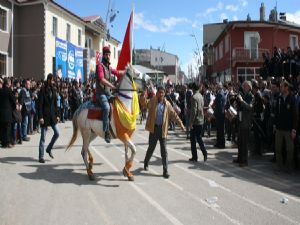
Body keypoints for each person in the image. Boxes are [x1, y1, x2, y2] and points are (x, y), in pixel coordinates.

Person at [143, 86, 185, 179]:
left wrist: (181, 124)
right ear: (157, 93)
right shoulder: (153, 101)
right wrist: (143, 94)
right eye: (159, 92)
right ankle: (146, 162)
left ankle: (165, 171)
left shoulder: (167, 104)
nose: (161, 94)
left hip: (163, 130)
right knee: (151, 148)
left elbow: (174, 115)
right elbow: (145, 104)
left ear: (164, 94)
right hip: (154, 129)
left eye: (162, 93)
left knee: (164, 151)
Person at [96, 46, 124, 143]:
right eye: (106, 55)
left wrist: (126, 71)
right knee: (107, 108)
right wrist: (112, 86)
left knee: (119, 103)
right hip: (101, 94)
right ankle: (106, 131)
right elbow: (101, 79)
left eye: (109, 55)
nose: (108, 56)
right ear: (103, 55)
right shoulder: (100, 66)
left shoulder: (108, 67)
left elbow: (117, 72)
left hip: (108, 93)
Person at [274, 80, 297, 172]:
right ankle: (279, 166)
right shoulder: (279, 98)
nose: (281, 88)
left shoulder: (292, 99)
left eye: (282, 86)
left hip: (288, 129)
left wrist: (294, 129)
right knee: (278, 148)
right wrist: (275, 125)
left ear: (286, 87)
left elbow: (295, 115)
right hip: (279, 128)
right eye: (280, 86)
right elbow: (276, 113)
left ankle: (289, 166)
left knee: (290, 149)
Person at [37, 74, 60, 163]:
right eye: (53, 80)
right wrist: (40, 117)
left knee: (57, 133)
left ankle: (49, 148)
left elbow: (55, 104)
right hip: (45, 117)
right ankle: (41, 156)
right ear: (49, 80)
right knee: (43, 137)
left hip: (52, 116)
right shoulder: (42, 90)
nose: (54, 82)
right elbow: (39, 105)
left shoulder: (54, 90)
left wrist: (57, 115)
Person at [233, 81, 254, 167]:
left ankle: (244, 161)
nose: (243, 87)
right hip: (241, 121)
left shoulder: (251, 96)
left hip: (246, 122)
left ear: (249, 87)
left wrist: (241, 101)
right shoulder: (243, 95)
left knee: (244, 143)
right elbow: (240, 107)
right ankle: (240, 158)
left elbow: (250, 107)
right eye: (243, 86)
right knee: (240, 142)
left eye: (245, 86)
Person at [188, 82, 207, 162]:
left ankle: (195, 156)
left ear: (193, 88)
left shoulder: (194, 97)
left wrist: (191, 122)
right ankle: (204, 152)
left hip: (195, 121)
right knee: (199, 138)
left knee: (193, 140)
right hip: (201, 120)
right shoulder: (201, 96)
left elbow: (193, 111)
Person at [0, 78, 16, 148]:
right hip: (7, 112)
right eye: (10, 82)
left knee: (2, 128)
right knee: (8, 128)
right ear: (8, 83)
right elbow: (13, 100)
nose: (10, 84)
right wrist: (13, 108)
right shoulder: (9, 90)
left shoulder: (0, 90)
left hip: (1, 112)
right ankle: (8, 143)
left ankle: (3, 143)